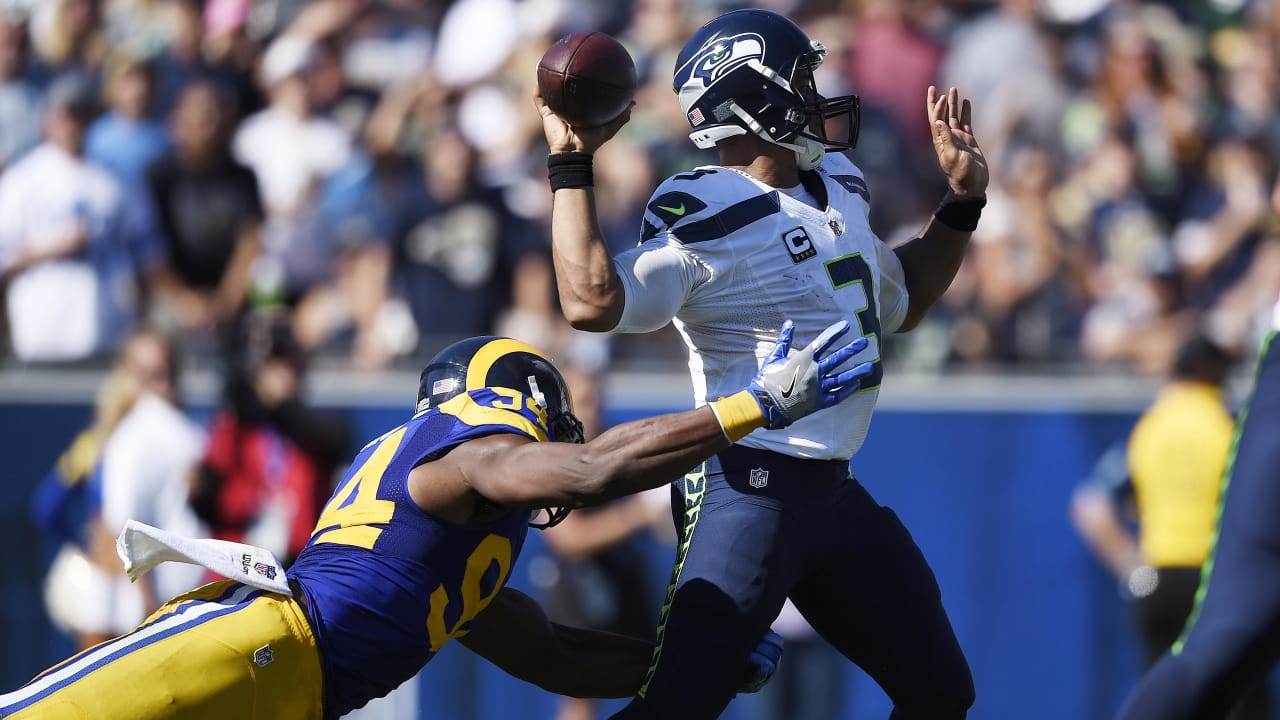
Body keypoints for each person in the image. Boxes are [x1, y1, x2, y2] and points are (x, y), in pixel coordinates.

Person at [0, 321, 871, 719]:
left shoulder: (462, 544)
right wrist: (752, 408)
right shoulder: (465, 457)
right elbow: (593, 466)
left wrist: (689, 665)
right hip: (255, 647)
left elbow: (554, 655)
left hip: (293, 688)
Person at [534, 8, 987, 718]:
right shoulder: (702, 206)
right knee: (678, 705)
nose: (818, 90)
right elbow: (592, 300)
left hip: (833, 492)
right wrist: (571, 163)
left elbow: (903, 303)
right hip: (747, 488)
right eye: (801, 77)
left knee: (940, 693)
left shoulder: (839, 180)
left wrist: (962, 203)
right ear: (750, 95)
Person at [1115, 297, 1280, 719]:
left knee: (1192, 677)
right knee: (1244, 700)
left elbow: (1094, 504)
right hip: (1206, 570)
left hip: (1157, 576)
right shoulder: (1218, 424)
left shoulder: (1149, 428)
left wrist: (1133, 570)